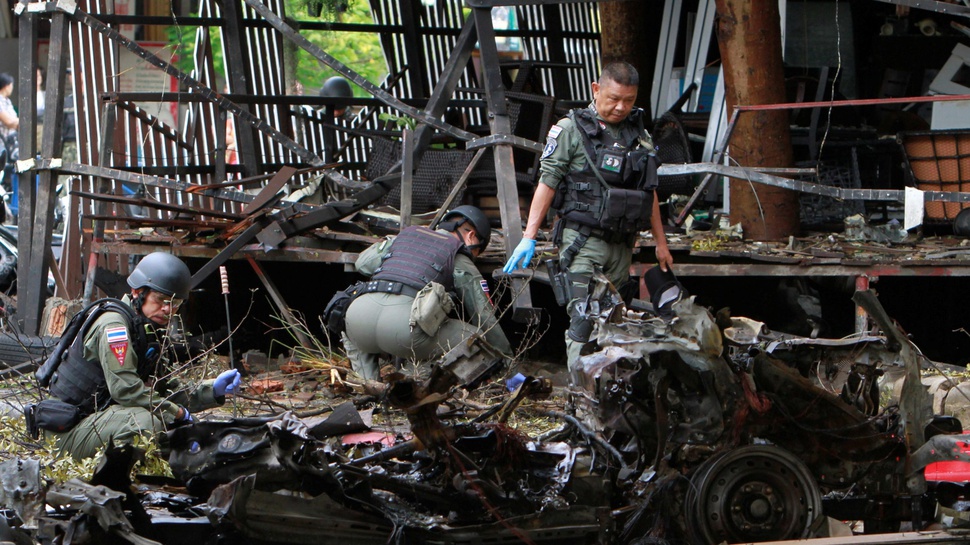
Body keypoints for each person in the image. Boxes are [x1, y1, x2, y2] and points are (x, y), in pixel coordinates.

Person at [502, 61, 673, 369]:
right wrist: (528, 237)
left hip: (622, 245)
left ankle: (608, 397)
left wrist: (661, 243)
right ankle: (580, 402)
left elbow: (650, 193)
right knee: (583, 320)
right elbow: (548, 182)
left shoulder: (639, 134)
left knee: (616, 322)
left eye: (629, 100)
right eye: (613, 98)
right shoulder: (571, 130)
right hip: (582, 242)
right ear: (596, 89)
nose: (621, 107)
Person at [42, 252, 242, 459]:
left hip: (98, 421)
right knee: (145, 423)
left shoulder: (145, 329)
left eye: (176, 303)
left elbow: (164, 388)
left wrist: (212, 390)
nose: (168, 309)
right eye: (161, 300)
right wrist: (179, 414)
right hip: (66, 431)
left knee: (173, 432)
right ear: (137, 292)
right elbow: (126, 389)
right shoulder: (114, 326)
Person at [342, 205, 512, 381]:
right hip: (401, 330)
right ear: (471, 236)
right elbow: (484, 316)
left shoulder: (402, 238)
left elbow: (362, 264)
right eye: (477, 251)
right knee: (472, 338)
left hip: (356, 321)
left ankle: (368, 386)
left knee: (354, 329)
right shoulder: (458, 257)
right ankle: (408, 382)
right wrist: (509, 364)